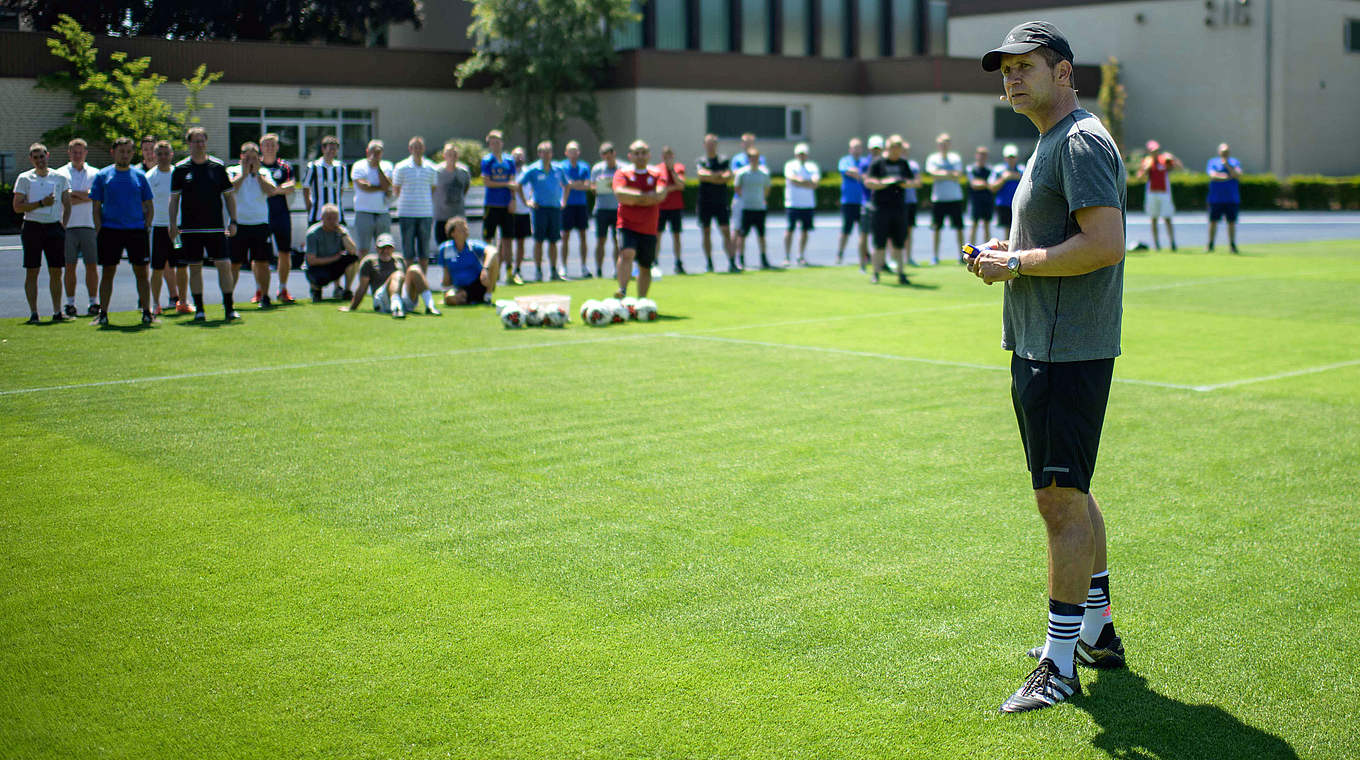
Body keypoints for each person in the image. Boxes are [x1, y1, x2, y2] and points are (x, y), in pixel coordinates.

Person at [973, 20, 1128, 714]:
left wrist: (1016, 262)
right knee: (1072, 492)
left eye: (1025, 66)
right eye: (1005, 68)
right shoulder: (1049, 142)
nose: (1011, 77)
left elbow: (1105, 242)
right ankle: (1094, 631)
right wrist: (1005, 254)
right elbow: (1052, 238)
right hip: (1043, 342)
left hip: (1067, 349)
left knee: (1058, 503)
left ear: (1064, 72)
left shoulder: (1083, 140)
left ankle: (1059, 666)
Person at [168, 126, 239, 322]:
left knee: (224, 265)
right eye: (195, 141)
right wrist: (172, 224)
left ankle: (229, 308)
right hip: (190, 228)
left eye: (202, 140)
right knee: (195, 267)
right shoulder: (181, 170)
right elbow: (173, 200)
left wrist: (233, 220)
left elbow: (229, 197)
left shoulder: (217, 167)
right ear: (189, 144)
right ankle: (199, 309)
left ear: (206, 142)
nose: (199, 144)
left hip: (216, 226)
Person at [87, 136, 155, 326]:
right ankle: (103, 314)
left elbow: (149, 204)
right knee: (108, 272)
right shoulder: (103, 176)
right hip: (110, 231)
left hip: (136, 231)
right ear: (113, 152)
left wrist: (146, 225)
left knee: (142, 272)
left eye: (128, 151)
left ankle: (147, 312)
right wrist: (99, 229)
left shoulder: (139, 176)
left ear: (133, 153)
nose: (124, 155)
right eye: (121, 151)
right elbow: (96, 206)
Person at [13, 142, 72, 324]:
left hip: (54, 227)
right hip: (32, 227)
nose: (40, 160)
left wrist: (64, 224)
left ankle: (57, 311)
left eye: (42, 156)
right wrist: (40, 204)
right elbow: (17, 207)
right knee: (32, 271)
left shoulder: (60, 177)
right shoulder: (24, 178)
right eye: (35, 157)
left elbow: (67, 204)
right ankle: (34, 313)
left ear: (48, 156)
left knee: (56, 271)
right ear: (31, 159)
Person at [611, 139, 668, 298]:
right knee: (627, 253)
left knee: (645, 265)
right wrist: (646, 197)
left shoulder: (657, 173)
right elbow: (621, 195)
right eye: (637, 153)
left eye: (643, 153)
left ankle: (642, 300)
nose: (640, 156)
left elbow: (660, 195)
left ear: (649, 155)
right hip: (627, 224)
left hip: (649, 226)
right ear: (630, 156)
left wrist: (634, 198)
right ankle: (622, 289)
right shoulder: (622, 173)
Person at [228, 141, 281, 309]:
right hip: (239, 224)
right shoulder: (232, 171)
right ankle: (228, 298)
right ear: (241, 157)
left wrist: (257, 174)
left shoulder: (263, 172)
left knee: (262, 262)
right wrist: (244, 174)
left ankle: (265, 296)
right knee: (234, 264)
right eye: (247, 157)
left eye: (254, 157)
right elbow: (229, 189)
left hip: (260, 224)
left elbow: (272, 190)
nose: (250, 161)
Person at [339, 232, 433, 318]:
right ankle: (396, 308)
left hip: (402, 297)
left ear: (393, 249)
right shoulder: (369, 261)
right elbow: (362, 288)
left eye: (389, 248)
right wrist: (352, 307)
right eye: (382, 248)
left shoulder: (399, 259)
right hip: (382, 299)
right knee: (397, 274)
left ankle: (430, 306)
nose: (385, 251)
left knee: (414, 269)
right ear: (376, 248)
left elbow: (405, 282)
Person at [56, 138, 100, 318]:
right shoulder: (60, 174)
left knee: (91, 265)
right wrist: (85, 195)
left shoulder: (95, 173)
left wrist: (74, 194)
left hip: (89, 225)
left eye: (80, 151)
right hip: (67, 226)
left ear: (86, 153)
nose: (77, 155)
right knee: (69, 266)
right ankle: (70, 303)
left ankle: (93, 302)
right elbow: (62, 198)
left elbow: (96, 196)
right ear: (69, 153)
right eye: (74, 152)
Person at [864, 135, 916, 285]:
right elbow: (869, 182)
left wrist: (903, 183)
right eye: (894, 147)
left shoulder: (903, 164)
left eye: (899, 147)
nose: (896, 150)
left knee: (899, 243)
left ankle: (901, 273)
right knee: (879, 244)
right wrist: (886, 182)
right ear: (888, 147)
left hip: (899, 209)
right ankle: (876, 273)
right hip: (880, 209)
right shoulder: (878, 163)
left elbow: (913, 181)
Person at [145, 139, 188, 315]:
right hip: (158, 228)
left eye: (166, 153)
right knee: (157, 268)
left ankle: (183, 302)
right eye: (159, 154)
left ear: (172, 155)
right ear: (154, 156)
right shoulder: (149, 177)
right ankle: (155, 304)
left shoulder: (179, 174)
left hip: (177, 229)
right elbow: (145, 204)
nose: (163, 157)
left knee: (181, 266)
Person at [518, 140, 569, 281]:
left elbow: (567, 185)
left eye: (549, 152)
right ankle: (539, 271)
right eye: (543, 152)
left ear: (552, 153)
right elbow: (519, 184)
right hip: (539, 209)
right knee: (539, 241)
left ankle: (553, 270)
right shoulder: (533, 169)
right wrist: (527, 202)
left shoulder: (558, 169)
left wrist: (563, 201)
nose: (546, 155)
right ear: (539, 153)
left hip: (554, 209)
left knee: (554, 241)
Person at [350, 139, 394, 296]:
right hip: (364, 212)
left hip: (382, 212)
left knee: (385, 248)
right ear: (367, 152)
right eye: (373, 151)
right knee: (363, 249)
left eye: (379, 151)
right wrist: (380, 187)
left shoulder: (387, 166)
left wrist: (378, 169)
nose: (376, 154)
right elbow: (363, 186)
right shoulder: (359, 166)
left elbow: (387, 185)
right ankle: (364, 283)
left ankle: (384, 281)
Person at [259, 133, 297, 303]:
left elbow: (291, 186)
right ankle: (260, 290)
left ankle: (282, 288)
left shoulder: (285, 166)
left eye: (272, 145)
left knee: (284, 253)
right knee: (260, 256)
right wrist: (276, 189)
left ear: (277, 147)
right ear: (261, 147)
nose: (269, 148)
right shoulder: (256, 165)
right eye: (266, 145)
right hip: (260, 216)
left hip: (281, 214)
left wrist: (273, 190)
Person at [392, 135, 438, 273]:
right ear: (410, 149)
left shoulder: (431, 167)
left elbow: (433, 188)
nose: (417, 150)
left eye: (420, 147)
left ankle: (422, 280)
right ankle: (409, 281)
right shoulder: (401, 167)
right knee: (408, 251)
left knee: (424, 251)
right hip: (406, 213)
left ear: (424, 149)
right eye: (414, 147)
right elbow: (396, 189)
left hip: (425, 213)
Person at [480, 130, 519, 281]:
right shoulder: (487, 160)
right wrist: (505, 184)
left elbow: (513, 184)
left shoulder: (509, 160)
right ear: (489, 144)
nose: (495, 145)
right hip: (492, 204)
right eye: (492, 142)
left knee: (508, 240)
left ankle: (510, 272)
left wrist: (513, 199)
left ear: (502, 143)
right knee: (488, 239)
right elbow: (487, 182)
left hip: (506, 205)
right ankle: (489, 272)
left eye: (498, 142)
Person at [438, 217, 501, 306]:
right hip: (460, 287)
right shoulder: (445, 249)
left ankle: (487, 296)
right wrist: (446, 292)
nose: (465, 230)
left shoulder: (473, 245)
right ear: (452, 233)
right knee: (450, 299)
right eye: (461, 229)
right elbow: (446, 274)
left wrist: (485, 269)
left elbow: (492, 251)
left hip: (479, 283)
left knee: (494, 258)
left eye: (466, 228)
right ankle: (467, 299)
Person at [303, 204, 359, 301]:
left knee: (353, 259)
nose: (332, 222)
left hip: (333, 264)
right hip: (316, 267)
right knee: (320, 278)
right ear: (322, 218)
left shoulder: (341, 231)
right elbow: (311, 260)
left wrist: (343, 235)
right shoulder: (313, 233)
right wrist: (335, 258)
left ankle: (347, 290)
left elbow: (353, 251)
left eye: (335, 219)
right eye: (329, 219)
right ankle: (316, 290)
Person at [694, 133, 733, 273]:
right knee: (706, 231)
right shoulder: (701, 160)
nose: (711, 146)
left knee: (726, 231)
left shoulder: (723, 160)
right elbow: (701, 175)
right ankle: (709, 262)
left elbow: (728, 176)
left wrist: (711, 176)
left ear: (716, 145)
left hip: (721, 202)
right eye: (708, 143)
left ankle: (732, 262)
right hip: (705, 202)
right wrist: (717, 175)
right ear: (704, 145)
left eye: (713, 143)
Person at [926, 132, 966, 264]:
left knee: (959, 228)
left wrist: (942, 173)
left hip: (954, 198)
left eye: (946, 143)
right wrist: (949, 174)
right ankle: (935, 256)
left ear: (949, 145)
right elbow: (932, 174)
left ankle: (961, 256)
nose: (944, 146)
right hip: (939, 199)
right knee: (936, 228)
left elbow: (958, 174)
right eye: (941, 143)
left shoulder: (955, 158)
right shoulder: (933, 158)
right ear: (938, 145)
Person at [1135, 139, 1180, 251]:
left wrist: (1173, 158)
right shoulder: (1147, 161)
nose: (1155, 152)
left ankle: (1172, 243)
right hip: (1152, 193)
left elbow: (1179, 168)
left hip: (1164, 193)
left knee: (1167, 218)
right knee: (1154, 218)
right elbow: (1139, 177)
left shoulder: (1164, 160)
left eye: (1156, 150)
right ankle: (1156, 244)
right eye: (1152, 151)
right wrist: (1146, 169)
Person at [732, 147, 772, 271]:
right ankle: (741, 259)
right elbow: (737, 188)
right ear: (748, 159)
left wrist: (760, 199)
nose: (754, 160)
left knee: (761, 235)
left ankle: (763, 258)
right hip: (747, 208)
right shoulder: (742, 173)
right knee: (742, 235)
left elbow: (767, 189)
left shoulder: (764, 173)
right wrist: (746, 198)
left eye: (756, 158)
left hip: (759, 208)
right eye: (752, 158)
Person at [783, 142, 821, 267]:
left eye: (804, 154)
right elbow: (792, 179)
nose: (802, 156)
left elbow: (815, 183)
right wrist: (807, 183)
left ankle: (801, 255)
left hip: (807, 204)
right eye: (800, 154)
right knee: (790, 230)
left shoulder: (812, 166)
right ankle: (787, 256)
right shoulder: (790, 165)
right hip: (792, 203)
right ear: (796, 154)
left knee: (805, 231)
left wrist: (801, 182)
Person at [559, 140, 594, 278]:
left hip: (581, 205)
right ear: (566, 153)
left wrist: (572, 185)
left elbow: (587, 186)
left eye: (576, 151)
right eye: (570, 151)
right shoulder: (562, 167)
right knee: (565, 236)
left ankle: (584, 266)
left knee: (583, 236)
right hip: (567, 205)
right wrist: (575, 184)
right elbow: (563, 185)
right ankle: (564, 266)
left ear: (578, 152)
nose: (573, 154)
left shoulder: (584, 167)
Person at [590, 142, 621, 279]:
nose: (607, 160)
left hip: (618, 209)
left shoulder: (622, 168)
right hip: (602, 208)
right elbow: (592, 187)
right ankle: (599, 269)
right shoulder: (597, 169)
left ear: (614, 154)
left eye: (610, 156)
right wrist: (599, 186)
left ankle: (617, 269)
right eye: (605, 157)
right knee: (601, 240)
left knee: (617, 240)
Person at [654, 146, 687, 274]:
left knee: (676, 235)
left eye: (670, 156)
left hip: (676, 207)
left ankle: (678, 262)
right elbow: (659, 187)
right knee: (657, 235)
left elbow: (681, 185)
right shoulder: (657, 169)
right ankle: (654, 261)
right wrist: (672, 187)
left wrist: (672, 171)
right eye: (665, 156)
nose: (668, 158)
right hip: (661, 207)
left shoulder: (678, 168)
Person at [433, 140, 471, 247]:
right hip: (441, 216)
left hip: (458, 218)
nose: (452, 157)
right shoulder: (437, 172)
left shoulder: (464, 172)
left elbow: (465, 188)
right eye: (449, 154)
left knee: (459, 247)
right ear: (444, 155)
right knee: (443, 248)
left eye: (454, 154)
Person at [303, 135, 347, 227]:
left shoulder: (341, 167)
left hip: (337, 215)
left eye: (335, 149)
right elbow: (306, 188)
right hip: (317, 215)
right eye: (330, 148)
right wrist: (309, 207)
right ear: (323, 149)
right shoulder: (313, 166)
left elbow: (342, 189)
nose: (332, 151)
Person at [1206, 142, 1242, 253]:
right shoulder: (1213, 162)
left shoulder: (1234, 162)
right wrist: (1227, 177)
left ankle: (1232, 245)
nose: (1224, 154)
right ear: (1219, 152)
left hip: (1231, 198)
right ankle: (1210, 245)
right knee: (1213, 221)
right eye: (1223, 152)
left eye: (1226, 152)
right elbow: (1212, 175)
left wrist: (1227, 165)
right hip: (1216, 198)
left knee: (1231, 222)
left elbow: (1237, 175)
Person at [837, 137, 867, 267]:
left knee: (863, 232)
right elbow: (848, 172)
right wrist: (860, 174)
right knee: (846, 230)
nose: (856, 149)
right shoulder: (845, 161)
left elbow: (865, 175)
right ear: (850, 149)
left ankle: (865, 256)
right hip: (848, 202)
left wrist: (858, 173)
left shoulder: (864, 161)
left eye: (859, 147)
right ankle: (840, 253)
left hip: (863, 202)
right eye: (854, 147)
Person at [989, 144, 1026, 242]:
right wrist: (1004, 178)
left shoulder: (1023, 169)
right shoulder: (998, 170)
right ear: (1005, 158)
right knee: (1008, 231)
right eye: (1009, 157)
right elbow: (992, 187)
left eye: (1013, 157)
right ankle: (1008, 254)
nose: (1011, 160)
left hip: (1019, 204)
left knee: (1021, 231)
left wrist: (1015, 176)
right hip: (1004, 204)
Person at [508, 146, 533, 283]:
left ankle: (518, 269)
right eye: (516, 155)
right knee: (506, 242)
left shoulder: (528, 172)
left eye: (521, 155)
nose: (518, 158)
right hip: (510, 212)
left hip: (524, 212)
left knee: (521, 242)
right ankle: (507, 270)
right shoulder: (508, 171)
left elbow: (533, 188)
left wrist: (530, 201)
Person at [860, 135, 885, 273]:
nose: (876, 151)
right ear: (870, 149)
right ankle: (863, 263)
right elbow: (867, 182)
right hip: (867, 202)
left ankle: (882, 262)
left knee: (882, 234)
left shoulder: (884, 163)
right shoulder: (865, 163)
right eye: (874, 148)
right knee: (864, 234)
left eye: (878, 148)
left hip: (881, 203)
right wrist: (882, 183)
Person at [968, 146, 996, 245]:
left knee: (987, 227)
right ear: (976, 155)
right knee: (974, 226)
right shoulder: (971, 169)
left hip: (987, 201)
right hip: (975, 202)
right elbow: (973, 184)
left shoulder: (991, 170)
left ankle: (987, 252)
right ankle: (970, 252)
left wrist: (981, 183)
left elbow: (992, 185)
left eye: (984, 155)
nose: (982, 157)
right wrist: (985, 184)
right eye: (980, 154)